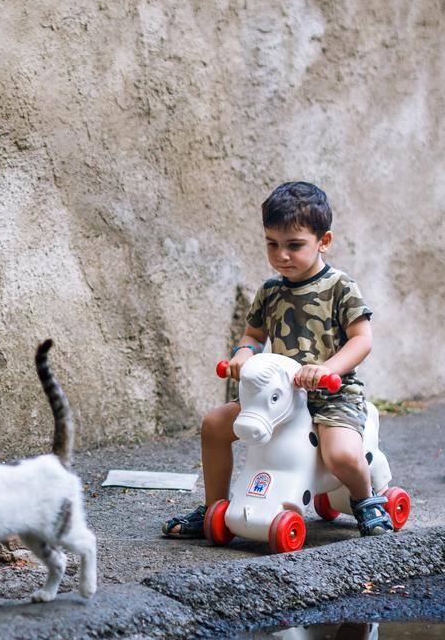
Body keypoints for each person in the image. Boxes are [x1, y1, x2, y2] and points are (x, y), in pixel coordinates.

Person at [162, 181, 393, 538]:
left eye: (294, 245)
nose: (281, 255)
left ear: (324, 241)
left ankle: (366, 500)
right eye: (272, 244)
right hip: (279, 395)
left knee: (342, 454)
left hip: (332, 394)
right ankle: (212, 507)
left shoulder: (340, 287)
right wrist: (243, 354)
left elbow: (362, 340)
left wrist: (327, 369)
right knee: (213, 426)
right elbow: (253, 336)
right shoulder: (270, 291)